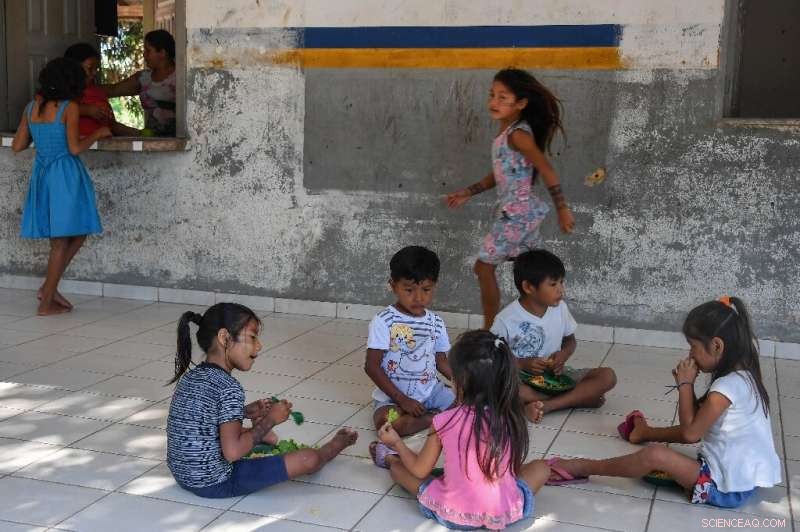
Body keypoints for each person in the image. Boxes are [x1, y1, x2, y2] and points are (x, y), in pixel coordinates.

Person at [547, 297, 782, 509]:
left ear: (717, 346)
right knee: (663, 447)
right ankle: (644, 432)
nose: (690, 355)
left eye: (693, 347)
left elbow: (691, 433)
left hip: (724, 488)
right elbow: (697, 426)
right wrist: (650, 432)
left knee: (655, 456)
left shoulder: (725, 388)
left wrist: (685, 385)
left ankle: (583, 467)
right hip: (743, 479)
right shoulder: (744, 375)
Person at [166, 302, 358, 498]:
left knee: (263, 437)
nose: (259, 346)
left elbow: (202, 418)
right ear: (224, 338)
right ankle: (333, 446)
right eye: (252, 337)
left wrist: (243, 411)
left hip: (182, 475)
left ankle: (264, 436)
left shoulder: (192, 376)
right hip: (215, 482)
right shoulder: (229, 387)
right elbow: (232, 453)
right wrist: (270, 420)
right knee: (308, 458)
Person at [373, 330, 551, 530]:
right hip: (503, 512)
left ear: (460, 382)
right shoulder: (511, 416)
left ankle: (389, 457)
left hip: (455, 514)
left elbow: (420, 470)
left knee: (401, 471)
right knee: (542, 468)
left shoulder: (443, 420)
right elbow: (512, 467)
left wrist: (396, 441)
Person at [445, 68, 576, 329]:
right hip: (521, 213)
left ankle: (490, 330)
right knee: (535, 272)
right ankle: (545, 324)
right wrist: (468, 192)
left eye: (503, 97)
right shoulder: (507, 135)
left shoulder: (518, 135)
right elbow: (500, 173)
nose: (494, 102)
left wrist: (563, 208)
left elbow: (547, 169)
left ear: (521, 104)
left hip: (517, 214)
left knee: (484, 268)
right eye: (492, 95)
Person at [12, 58, 110, 315]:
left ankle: (49, 287)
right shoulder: (70, 107)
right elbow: (75, 148)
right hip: (65, 176)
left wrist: (43, 139)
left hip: (43, 175)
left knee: (78, 232)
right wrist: (97, 134)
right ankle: (45, 304)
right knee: (61, 241)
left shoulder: (31, 107)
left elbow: (17, 146)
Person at [491, 249, 616, 422]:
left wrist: (563, 355)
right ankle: (577, 398)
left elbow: (570, 340)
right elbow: (492, 357)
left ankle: (547, 405)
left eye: (562, 282)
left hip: (554, 378)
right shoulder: (506, 319)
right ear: (529, 287)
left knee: (607, 376)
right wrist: (521, 363)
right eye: (553, 284)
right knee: (508, 391)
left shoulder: (560, 308)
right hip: (520, 380)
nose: (561, 290)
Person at [364, 246, 455, 461]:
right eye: (409, 290)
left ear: (434, 287)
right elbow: (372, 366)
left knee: (466, 406)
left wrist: (464, 384)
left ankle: (434, 416)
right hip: (392, 396)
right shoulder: (384, 321)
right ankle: (432, 420)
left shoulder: (436, 322)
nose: (418, 298)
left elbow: (441, 361)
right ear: (393, 286)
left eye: (426, 289)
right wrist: (402, 400)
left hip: (430, 390)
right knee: (386, 425)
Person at [100, 29, 176, 136]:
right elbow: (113, 90)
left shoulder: (181, 78)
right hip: (151, 139)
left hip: (178, 140)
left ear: (162, 53)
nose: (144, 55)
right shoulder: (143, 79)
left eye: (148, 51)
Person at [63, 43, 140, 137]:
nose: (94, 73)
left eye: (96, 69)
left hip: (103, 147)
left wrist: (138, 134)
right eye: (90, 68)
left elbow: (112, 125)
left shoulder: (98, 92)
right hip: (76, 147)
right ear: (73, 68)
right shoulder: (61, 91)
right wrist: (87, 110)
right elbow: (54, 110)